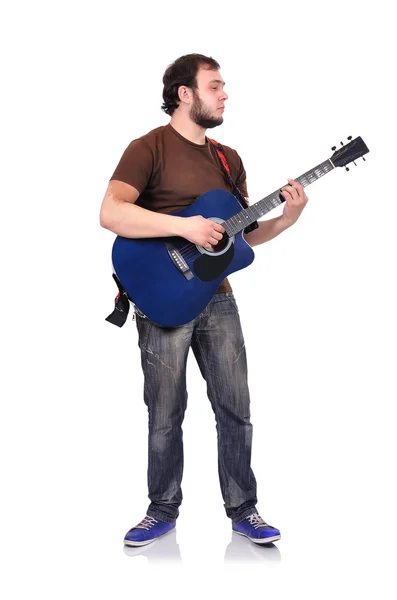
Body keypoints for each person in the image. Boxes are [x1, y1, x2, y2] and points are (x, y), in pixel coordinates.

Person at [99, 53, 309, 547]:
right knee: (165, 412)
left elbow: (236, 241)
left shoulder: (227, 159)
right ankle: (161, 509)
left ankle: (244, 509)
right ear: (184, 94)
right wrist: (182, 226)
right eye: (215, 86)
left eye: (223, 86)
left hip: (218, 300)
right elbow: (111, 213)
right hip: (161, 299)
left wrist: (286, 220)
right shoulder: (147, 147)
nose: (224, 94)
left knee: (236, 406)